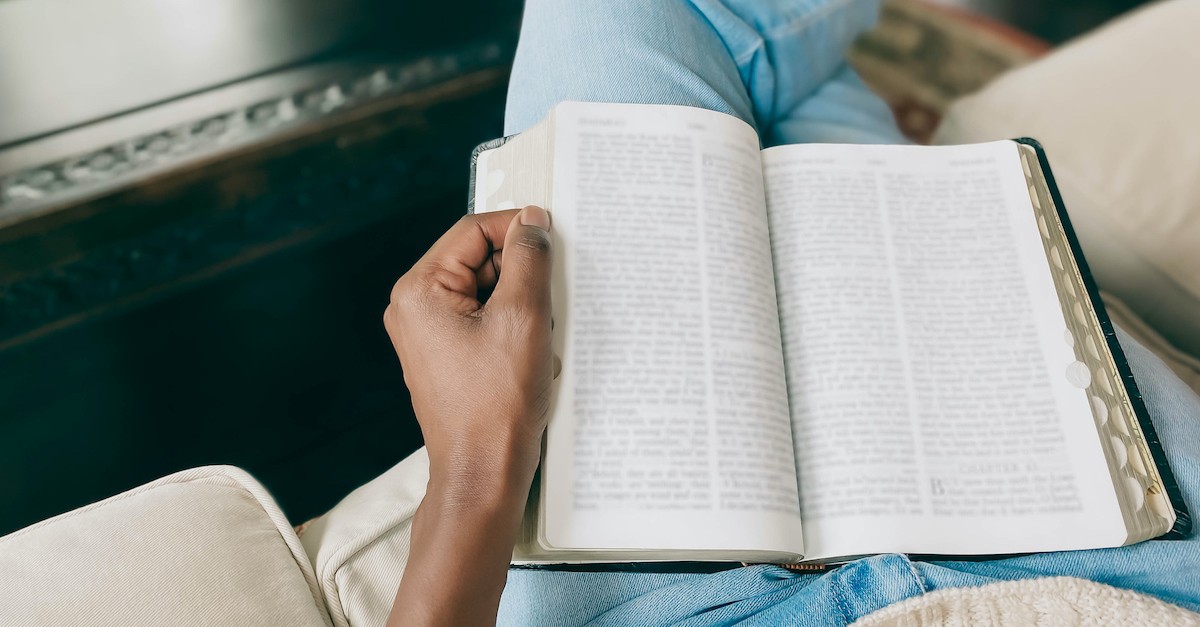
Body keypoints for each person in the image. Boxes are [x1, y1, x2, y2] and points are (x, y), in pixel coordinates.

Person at [383, 0, 1200, 624]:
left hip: (674, 605)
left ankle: (806, 47)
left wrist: (476, 477)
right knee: (817, 148)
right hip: (1115, 583)